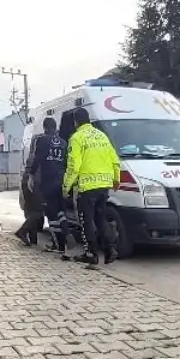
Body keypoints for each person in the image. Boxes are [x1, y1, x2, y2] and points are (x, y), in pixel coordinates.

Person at [62, 108, 121, 266]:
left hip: (87, 188)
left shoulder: (76, 138)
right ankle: (110, 250)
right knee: (101, 219)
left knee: (86, 222)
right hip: (104, 186)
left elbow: (74, 166)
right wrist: (116, 179)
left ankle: (91, 254)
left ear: (75, 122)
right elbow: (115, 160)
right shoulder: (102, 136)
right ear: (88, 119)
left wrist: (66, 187)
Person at [26, 116, 70, 252]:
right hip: (61, 179)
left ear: (44, 128)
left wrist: (31, 176)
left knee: (51, 213)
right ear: (55, 127)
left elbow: (37, 159)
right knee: (60, 211)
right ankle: (66, 234)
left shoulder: (42, 140)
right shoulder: (63, 142)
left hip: (48, 180)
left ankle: (58, 244)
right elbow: (67, 162)